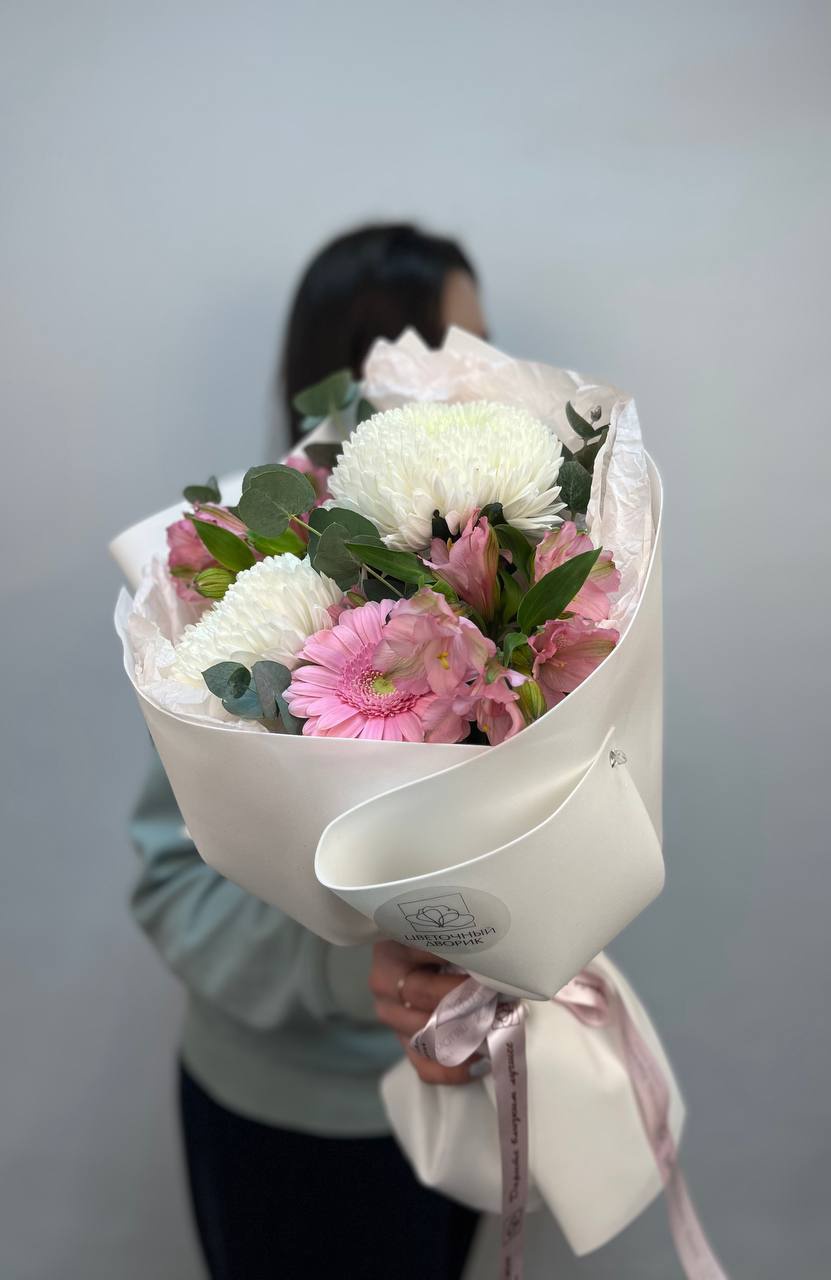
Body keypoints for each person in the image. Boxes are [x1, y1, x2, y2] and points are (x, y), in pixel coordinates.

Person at [130, 223, 488, 1280]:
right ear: (350, 381)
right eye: (447, 351)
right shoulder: (235, 601)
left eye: (486, 346)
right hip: (293, 1124)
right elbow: (173, 887)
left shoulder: (503, 579)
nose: (479, 381)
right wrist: (353, 970)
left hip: (468, 1093)